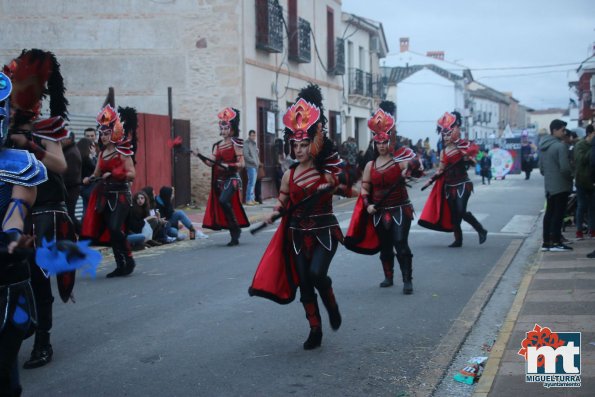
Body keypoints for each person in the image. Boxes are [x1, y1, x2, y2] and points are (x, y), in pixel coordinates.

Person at [249, 84, 343, 350]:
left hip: (324, 232)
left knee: (317, 275)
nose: (299, 149)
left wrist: (336, 184)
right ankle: (315, 329)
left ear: (313, 142)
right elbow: (283, 201)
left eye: (304, 144)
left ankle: (331, 301)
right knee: (304, 283)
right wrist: (274, 213)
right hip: (297, 235)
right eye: (295, 144)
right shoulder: (289, 175)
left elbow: (349, 185)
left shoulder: (327, 171)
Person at [4, 49, 78, 370]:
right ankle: (21, 324)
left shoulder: (48, 126)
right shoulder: (5, 127)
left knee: (40, 276)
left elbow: (59, 164)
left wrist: (29, 145)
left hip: (47, 211)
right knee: (15, 276)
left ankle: (43, 341)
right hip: (15, 210)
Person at [0, 70, 47, 397]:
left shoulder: (20, 165)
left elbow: (15, 214)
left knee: (4, 372)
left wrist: (13, 240)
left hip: (4, 276)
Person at [345, 107, 421, 293]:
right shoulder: (370, 165)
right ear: (374, 144)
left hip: (400, 209)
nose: (381, 146)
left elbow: (417, 167)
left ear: (390, 141)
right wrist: (367, 204)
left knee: (400, 243)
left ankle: (407, 280)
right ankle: (388, 276)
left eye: (385, 142)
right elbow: (365, 188)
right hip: (379, 211)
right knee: (385, 246)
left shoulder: (399, 160)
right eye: (378, 143)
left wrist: (408, 169)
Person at [81, 105, 137, 277]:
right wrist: (89, 179)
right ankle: (121, 265)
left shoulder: (123, 152)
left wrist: (113, 173)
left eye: (106, 133)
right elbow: (96, 173)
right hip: (104, 197)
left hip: (121, 196)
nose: (103, 136)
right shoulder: (101, 154)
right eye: (101, 133)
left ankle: (129, 258)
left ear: (114, 132)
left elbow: (131, 175)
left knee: (114, 228)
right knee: (110, 232)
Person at [419, 111, 487, 248]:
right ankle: (458, 239)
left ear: (454, 133)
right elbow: (441, 169)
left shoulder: (463, 146)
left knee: (461, 210)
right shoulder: (443, 152)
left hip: (463, 183)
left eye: (448, 134)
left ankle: (480, 229)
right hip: (449, 185)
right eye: (443, 134)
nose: (445, 137)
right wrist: (430, 179)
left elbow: (477, 160)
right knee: (454, 214)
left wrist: (468, 157)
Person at [197, 107, 249, 246]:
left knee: (223, 200)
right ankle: (234, 233)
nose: (224, 131)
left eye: (226, 128)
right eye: (222, 128)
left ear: (232, 128)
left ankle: (235, 228)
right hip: (219, 182)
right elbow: (210, 163)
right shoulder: (217, 146)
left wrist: (230, 165)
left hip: (232, 179)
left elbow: (242, 164)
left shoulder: (236, 143)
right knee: (223, 203)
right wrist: (198, 155)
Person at [538, 119, 573, 252]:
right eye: (563, 130)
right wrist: (570, 176)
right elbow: (565, 168)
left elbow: (541, 169)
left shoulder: (543, 147)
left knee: (549, 213)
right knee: (558, 214)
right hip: (561, 185)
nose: (564, 133)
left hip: (549, 185)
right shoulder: (560, 146)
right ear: (555, 130)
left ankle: (547, 242)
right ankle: (557, 242)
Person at [574, 125, 595, 239]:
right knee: (582, 206)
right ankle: (579, 231)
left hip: (592, 180)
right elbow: (581, 160)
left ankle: (592, 230)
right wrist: (592, 150)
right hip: (582, 180)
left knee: (593, 207)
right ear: (590, 133)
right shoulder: (580, 145)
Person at [62, 131, 82, 230]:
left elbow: (71, 175)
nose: (60, 140)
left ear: (70, 139)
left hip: (71, 190)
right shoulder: (67, 150)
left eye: (63, 138)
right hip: (70, 189)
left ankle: (81, 232)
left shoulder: (72, 153)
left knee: (69, 214)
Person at [76, 137, 97, 218]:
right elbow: (96, 169)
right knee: (90, 210)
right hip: (89, 187)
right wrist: (94, 156)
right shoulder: (86, 159)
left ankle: (84, 227)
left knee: (86, 208)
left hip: (82, 187)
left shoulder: (78, 158)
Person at [243, 129, 259, 205]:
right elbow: (246, 155)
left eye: (254, 135)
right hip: (250, 166)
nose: (254, 137)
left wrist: (257, 162)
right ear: (249, 135)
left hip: (255, 166)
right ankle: (248, 199)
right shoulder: (246, 143)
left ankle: (252, 199)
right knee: (251, 183)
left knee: (253, 183)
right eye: (252, 135)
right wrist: (253, 161)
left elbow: (255, 155)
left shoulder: (254, 144)